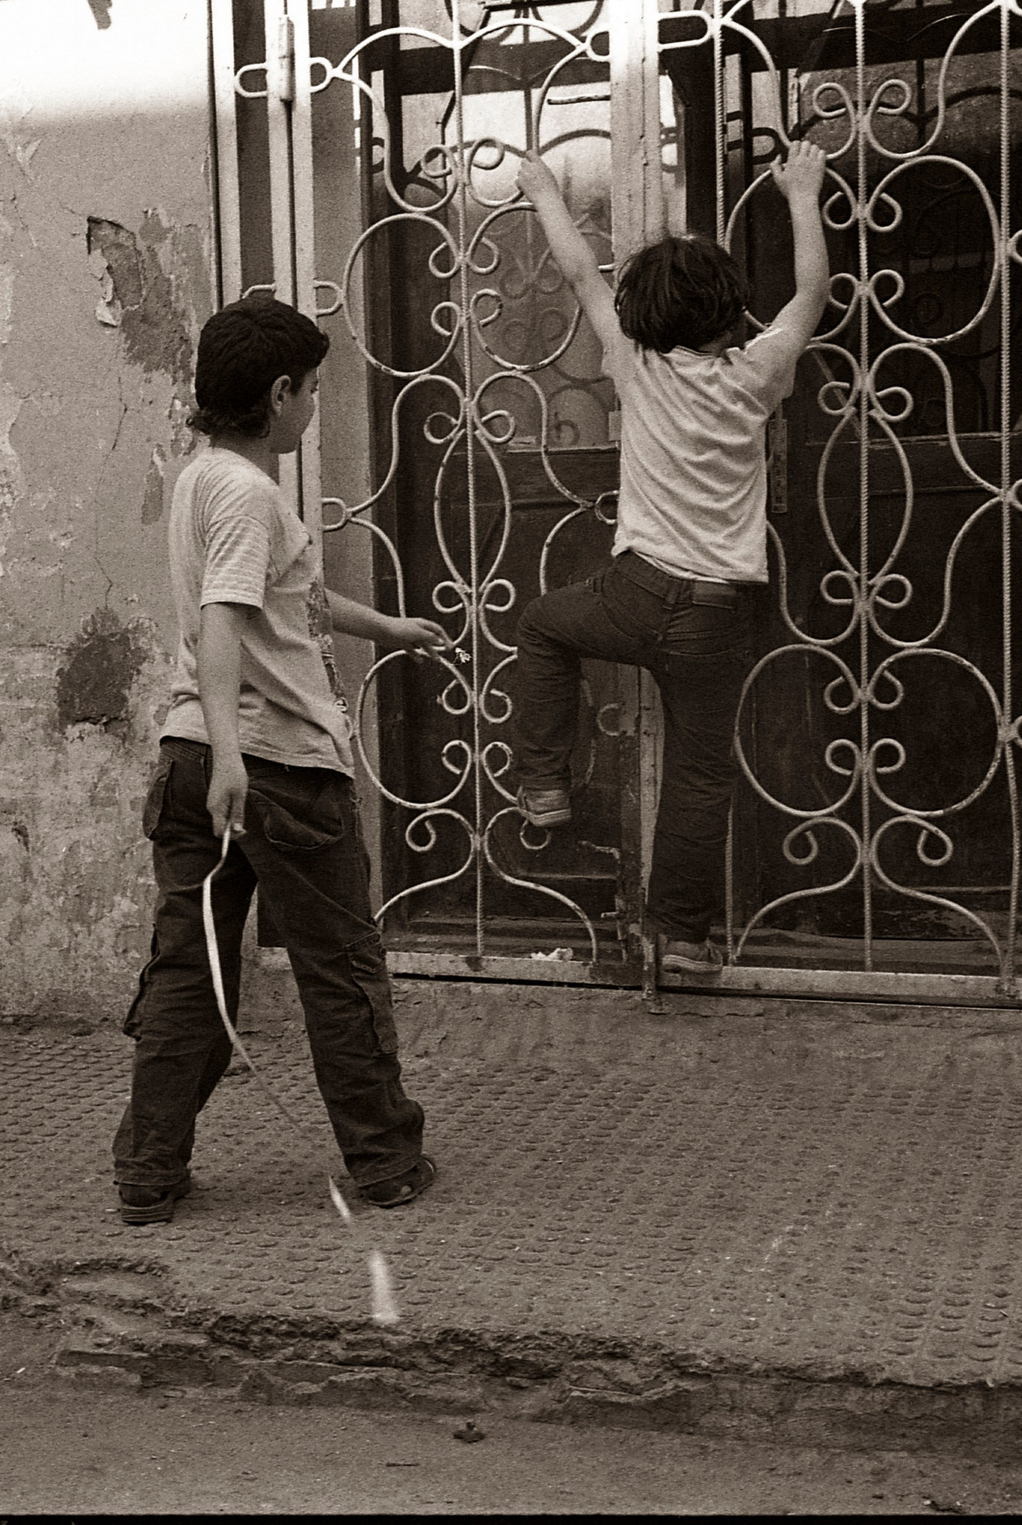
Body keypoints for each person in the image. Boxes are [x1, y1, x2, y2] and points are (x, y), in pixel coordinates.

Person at [113, 293, 450, 1225]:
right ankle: (385, 1165)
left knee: (190, 972)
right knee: (339, 971)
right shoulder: (253, 495)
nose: (315, 406)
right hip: (276, 770)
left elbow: (280, 600)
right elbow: (225, 618)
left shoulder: (201, 479)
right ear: (277, 394)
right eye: (311, 391)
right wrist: (236, 758)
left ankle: (148, 1174)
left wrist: (384, 627)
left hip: (192, 763)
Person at [505, 135, 832, 975]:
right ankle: (681, 938)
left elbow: (583, 275)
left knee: (543, 627)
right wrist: (803, 189)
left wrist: (542, 187)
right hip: (715, 613)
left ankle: (544, 782)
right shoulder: (756, 372)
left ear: (644, 316)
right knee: (700, 770)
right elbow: (810, 292)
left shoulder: (636, 364)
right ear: (730, 312)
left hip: (634, 594)